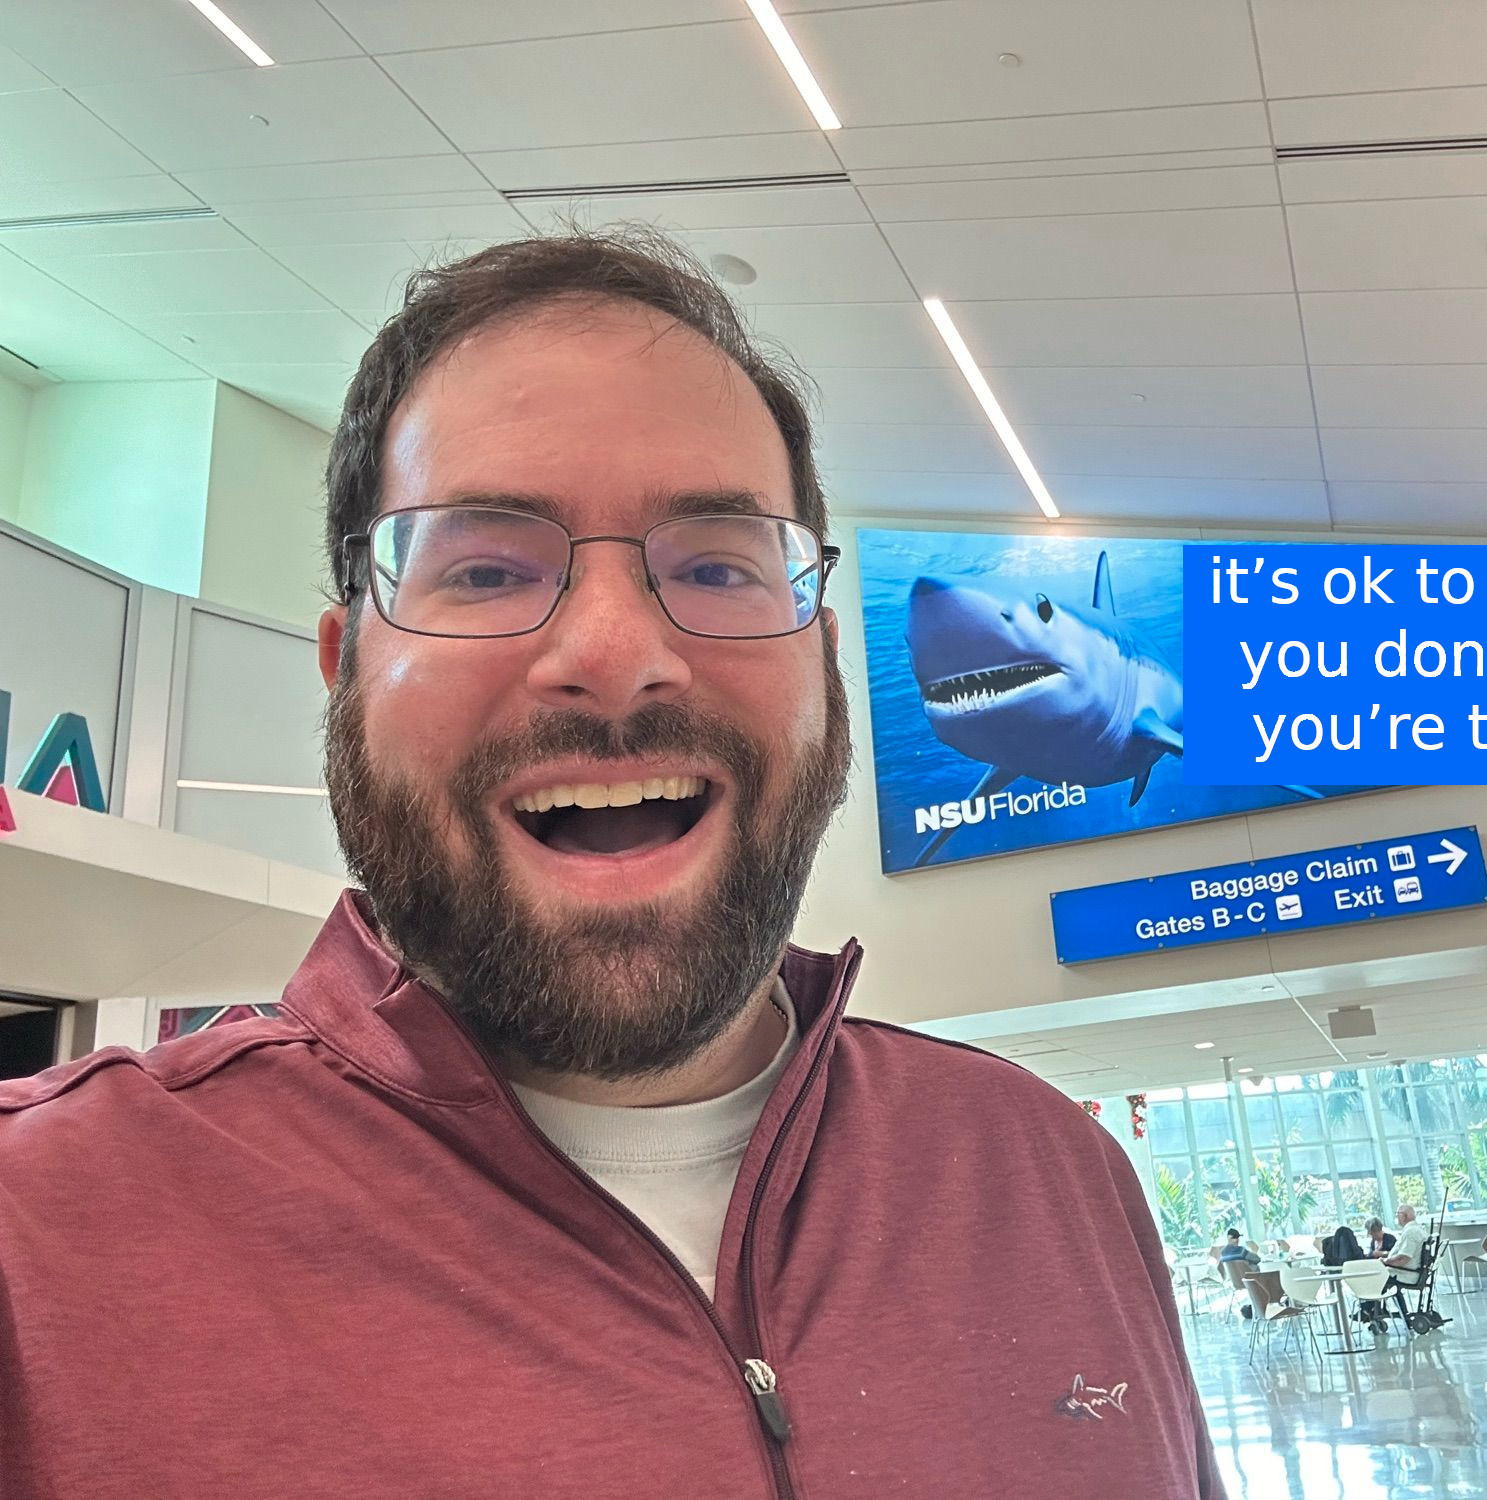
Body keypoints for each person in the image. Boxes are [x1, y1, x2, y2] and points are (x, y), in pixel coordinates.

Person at [0, 231, 1222, 1498]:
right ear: (343, 671)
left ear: (825, 675)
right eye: (482, 567)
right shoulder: (36, 1249)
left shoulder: (1048, 1172)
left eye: (715, 564)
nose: (614, 650)